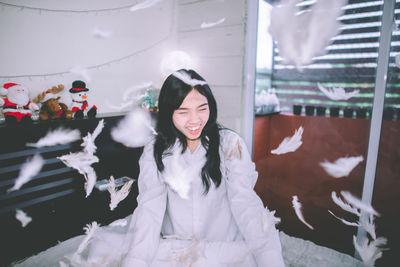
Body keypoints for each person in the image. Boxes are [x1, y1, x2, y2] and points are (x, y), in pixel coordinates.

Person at [121, 69, 284, 267]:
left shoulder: (230, 144)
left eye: (202, 108)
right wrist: (136, 262)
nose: (194, 120)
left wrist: (269, 259)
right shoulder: (154, 150)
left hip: (223, 249)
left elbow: (246, 204)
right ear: (168, 111)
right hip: (176, 250)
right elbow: (149, 210)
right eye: (183, 112)